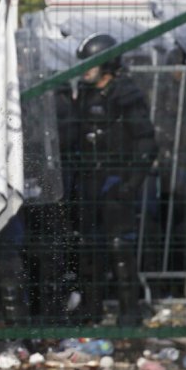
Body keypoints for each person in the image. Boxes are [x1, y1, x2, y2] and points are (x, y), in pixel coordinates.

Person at [70, 33, 156, 326]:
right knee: (88, 246)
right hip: (88, 180)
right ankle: (91, 308)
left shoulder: (126, 94)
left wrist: (131, 184)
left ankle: (129, 311)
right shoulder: (85, 93)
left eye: (90, 64)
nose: (85, 70)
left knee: (120, 246)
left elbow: (145, 141)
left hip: (115, 180)